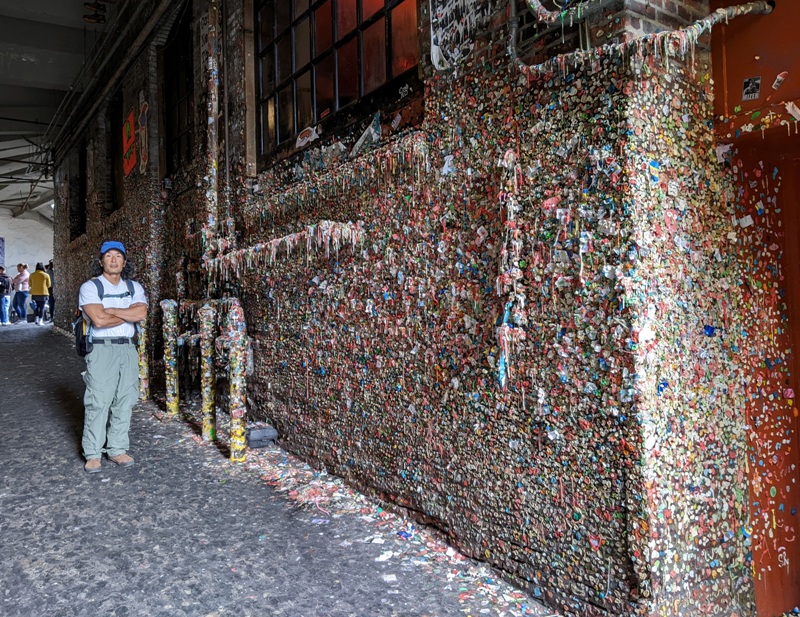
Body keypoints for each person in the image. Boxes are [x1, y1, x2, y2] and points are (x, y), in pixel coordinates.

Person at [79, 241, 147, 473]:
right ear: (101, 261)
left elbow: (141, 313)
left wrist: (110, 311)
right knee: (98, 400)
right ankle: (93, 453)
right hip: (101, 348)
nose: (114, 259)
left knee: (125, 399)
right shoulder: (90, 287)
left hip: (127, 348)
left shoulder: (134, 287)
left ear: (125, 262)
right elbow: (98, 320)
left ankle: (117, 449)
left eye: (118, 256)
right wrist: (127, 313)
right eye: (109, 256)